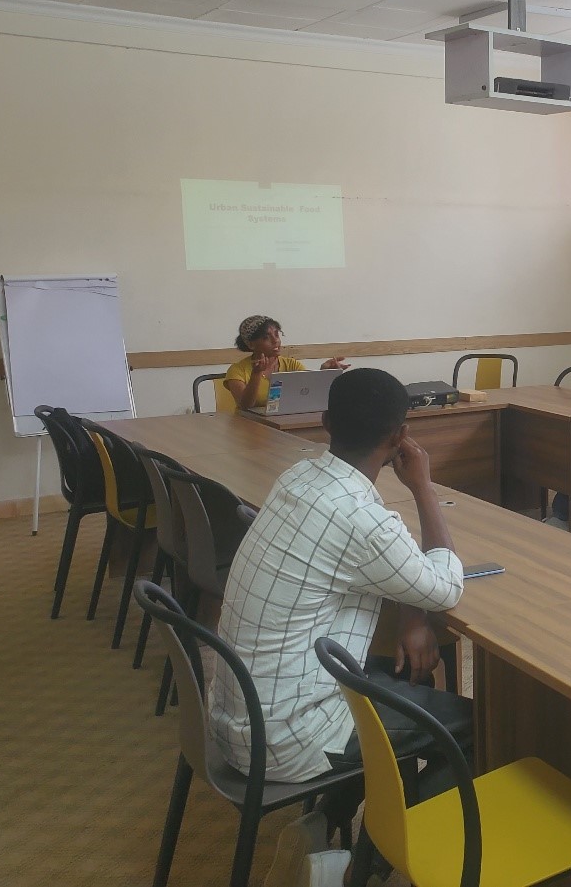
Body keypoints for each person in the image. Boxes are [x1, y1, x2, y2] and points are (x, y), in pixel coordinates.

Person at [210, 368, 471, 885]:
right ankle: (367, 867)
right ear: (400, 437)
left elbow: (384, 569)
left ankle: (321, 826)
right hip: (289, 735)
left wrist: (411, 613)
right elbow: (444, 587)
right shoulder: (361, 519)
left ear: (326, 423)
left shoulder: (298, 478)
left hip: (241, 717)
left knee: (396, 682)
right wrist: (423, 487)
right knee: (467, 728)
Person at [223, 314, 349, 411]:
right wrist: (256, 374)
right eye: (266, 337)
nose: (275, 341)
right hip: (248, 426)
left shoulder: (292, 365)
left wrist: (324, 372)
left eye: (277, 335)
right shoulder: (237, 370)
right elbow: (245, 406)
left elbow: (308, 394)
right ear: (251, 345)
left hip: (283, 422)